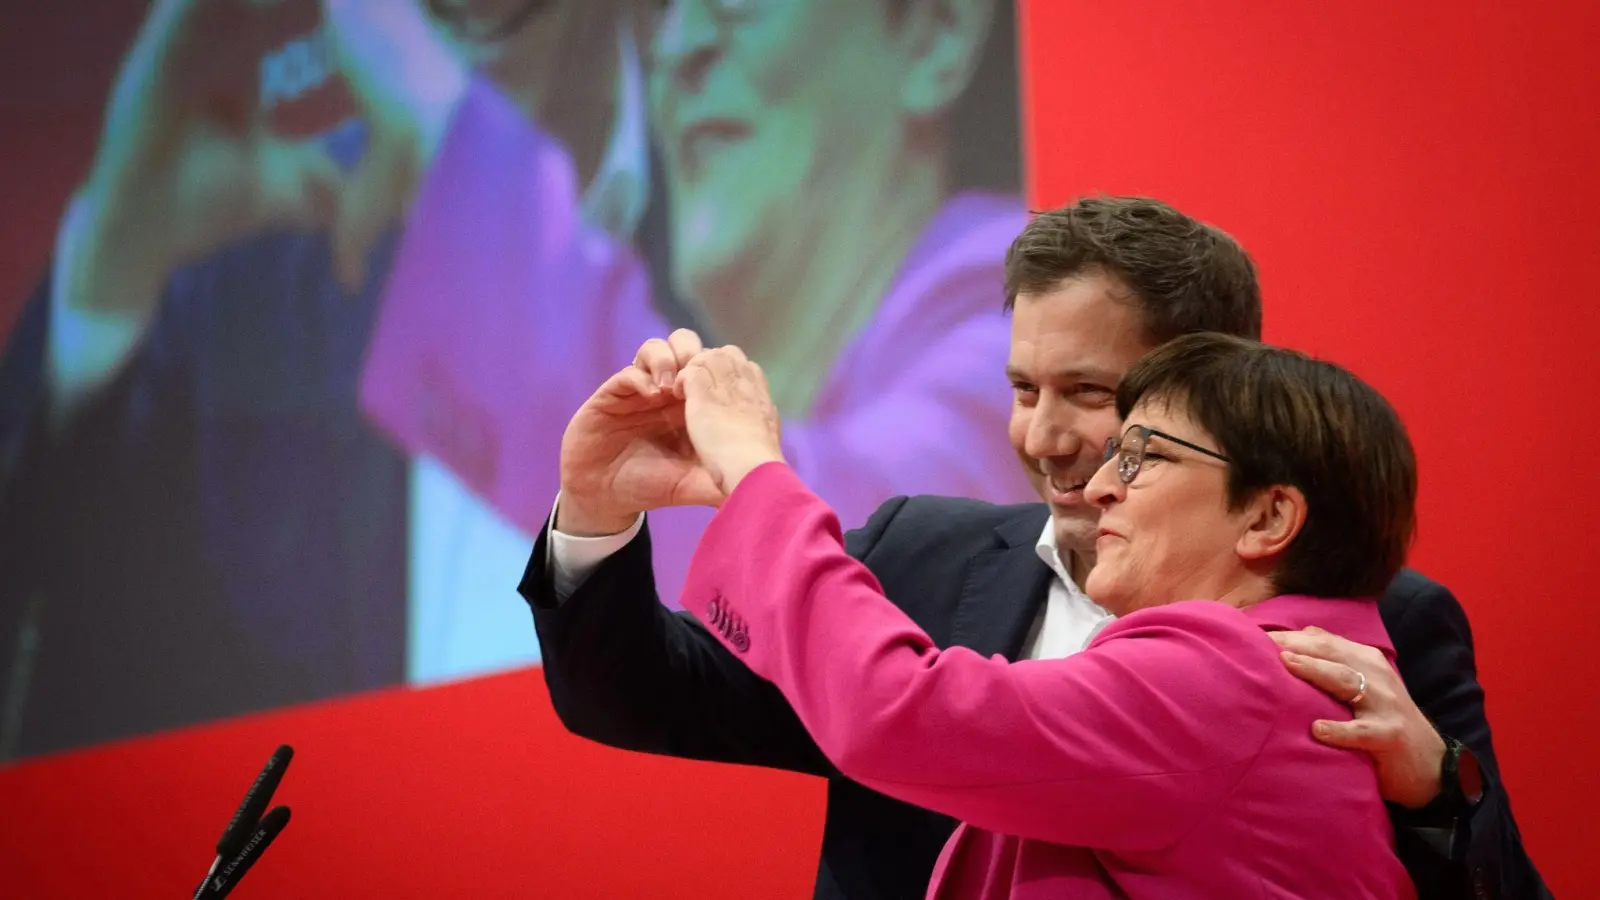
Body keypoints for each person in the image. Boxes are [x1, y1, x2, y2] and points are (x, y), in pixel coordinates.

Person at [522, 197, 1549, 898]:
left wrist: (1436, 781)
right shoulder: (922, 551)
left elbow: (900, 711)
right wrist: (597, 514)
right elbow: (641, 694)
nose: (1051, 444)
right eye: (1021, 390)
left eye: (1101, 404)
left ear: (1213, 383)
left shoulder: (1359, 636)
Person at [0, 0, 654, 758]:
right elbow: (60, 723)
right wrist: (103, 290)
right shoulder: (237, 258)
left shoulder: (766, 213)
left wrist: (472, 175)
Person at [356, 0, 1036, 630]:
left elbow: (846, 565)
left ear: (934, 33)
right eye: (658, 8)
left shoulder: (1019, 321)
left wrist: (440, 128)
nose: (676, 47)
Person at [664, 333, 1420, 897]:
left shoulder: (1234, 676)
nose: (1098, 490)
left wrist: (755, 473)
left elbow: (899, 710)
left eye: (1143, 458)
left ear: (1267, 517)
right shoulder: (1296, 670)